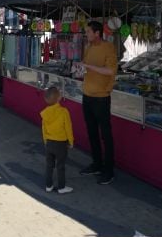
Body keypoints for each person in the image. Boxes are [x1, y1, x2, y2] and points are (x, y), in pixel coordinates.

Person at [77, 20, 117, 185]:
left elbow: (110, 71)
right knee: (92, 132)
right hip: (87, 95)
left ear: (97, 33)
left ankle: (109, 171)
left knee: (105, 135)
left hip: (101, 97)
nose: (86, 34)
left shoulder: (108, 48)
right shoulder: (89, 47)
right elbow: (87, 67)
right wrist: (80, 69)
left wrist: (88, 67)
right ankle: (97, 164)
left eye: (88, 32)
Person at [40, 86, 74, 194]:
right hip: (61, 143)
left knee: (49, 165)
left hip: (49, 142)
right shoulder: (64, 112)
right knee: (60, 166)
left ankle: (48, 185)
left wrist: (45, 141)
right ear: (59, 98)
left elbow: (44, 129)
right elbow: (68, 128)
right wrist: (71, 141)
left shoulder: (45, 113)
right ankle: (61, 187)